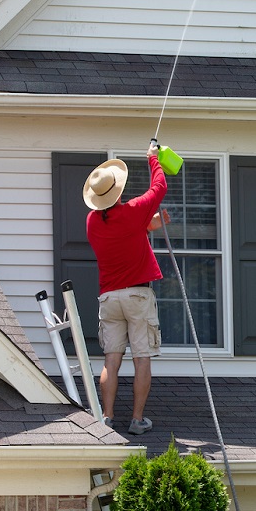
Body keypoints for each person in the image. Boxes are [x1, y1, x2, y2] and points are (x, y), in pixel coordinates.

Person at [82, 140, 169, 435]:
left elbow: (122, 231)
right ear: (117, 191)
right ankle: (137, 419)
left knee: (112, 358)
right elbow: (159, 188)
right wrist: (153, 158)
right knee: (142, 357)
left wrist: (147, 225)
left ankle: (106, 416)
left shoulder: (92, 222)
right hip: (137, 295)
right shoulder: (132, 211)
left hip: (109, 297)